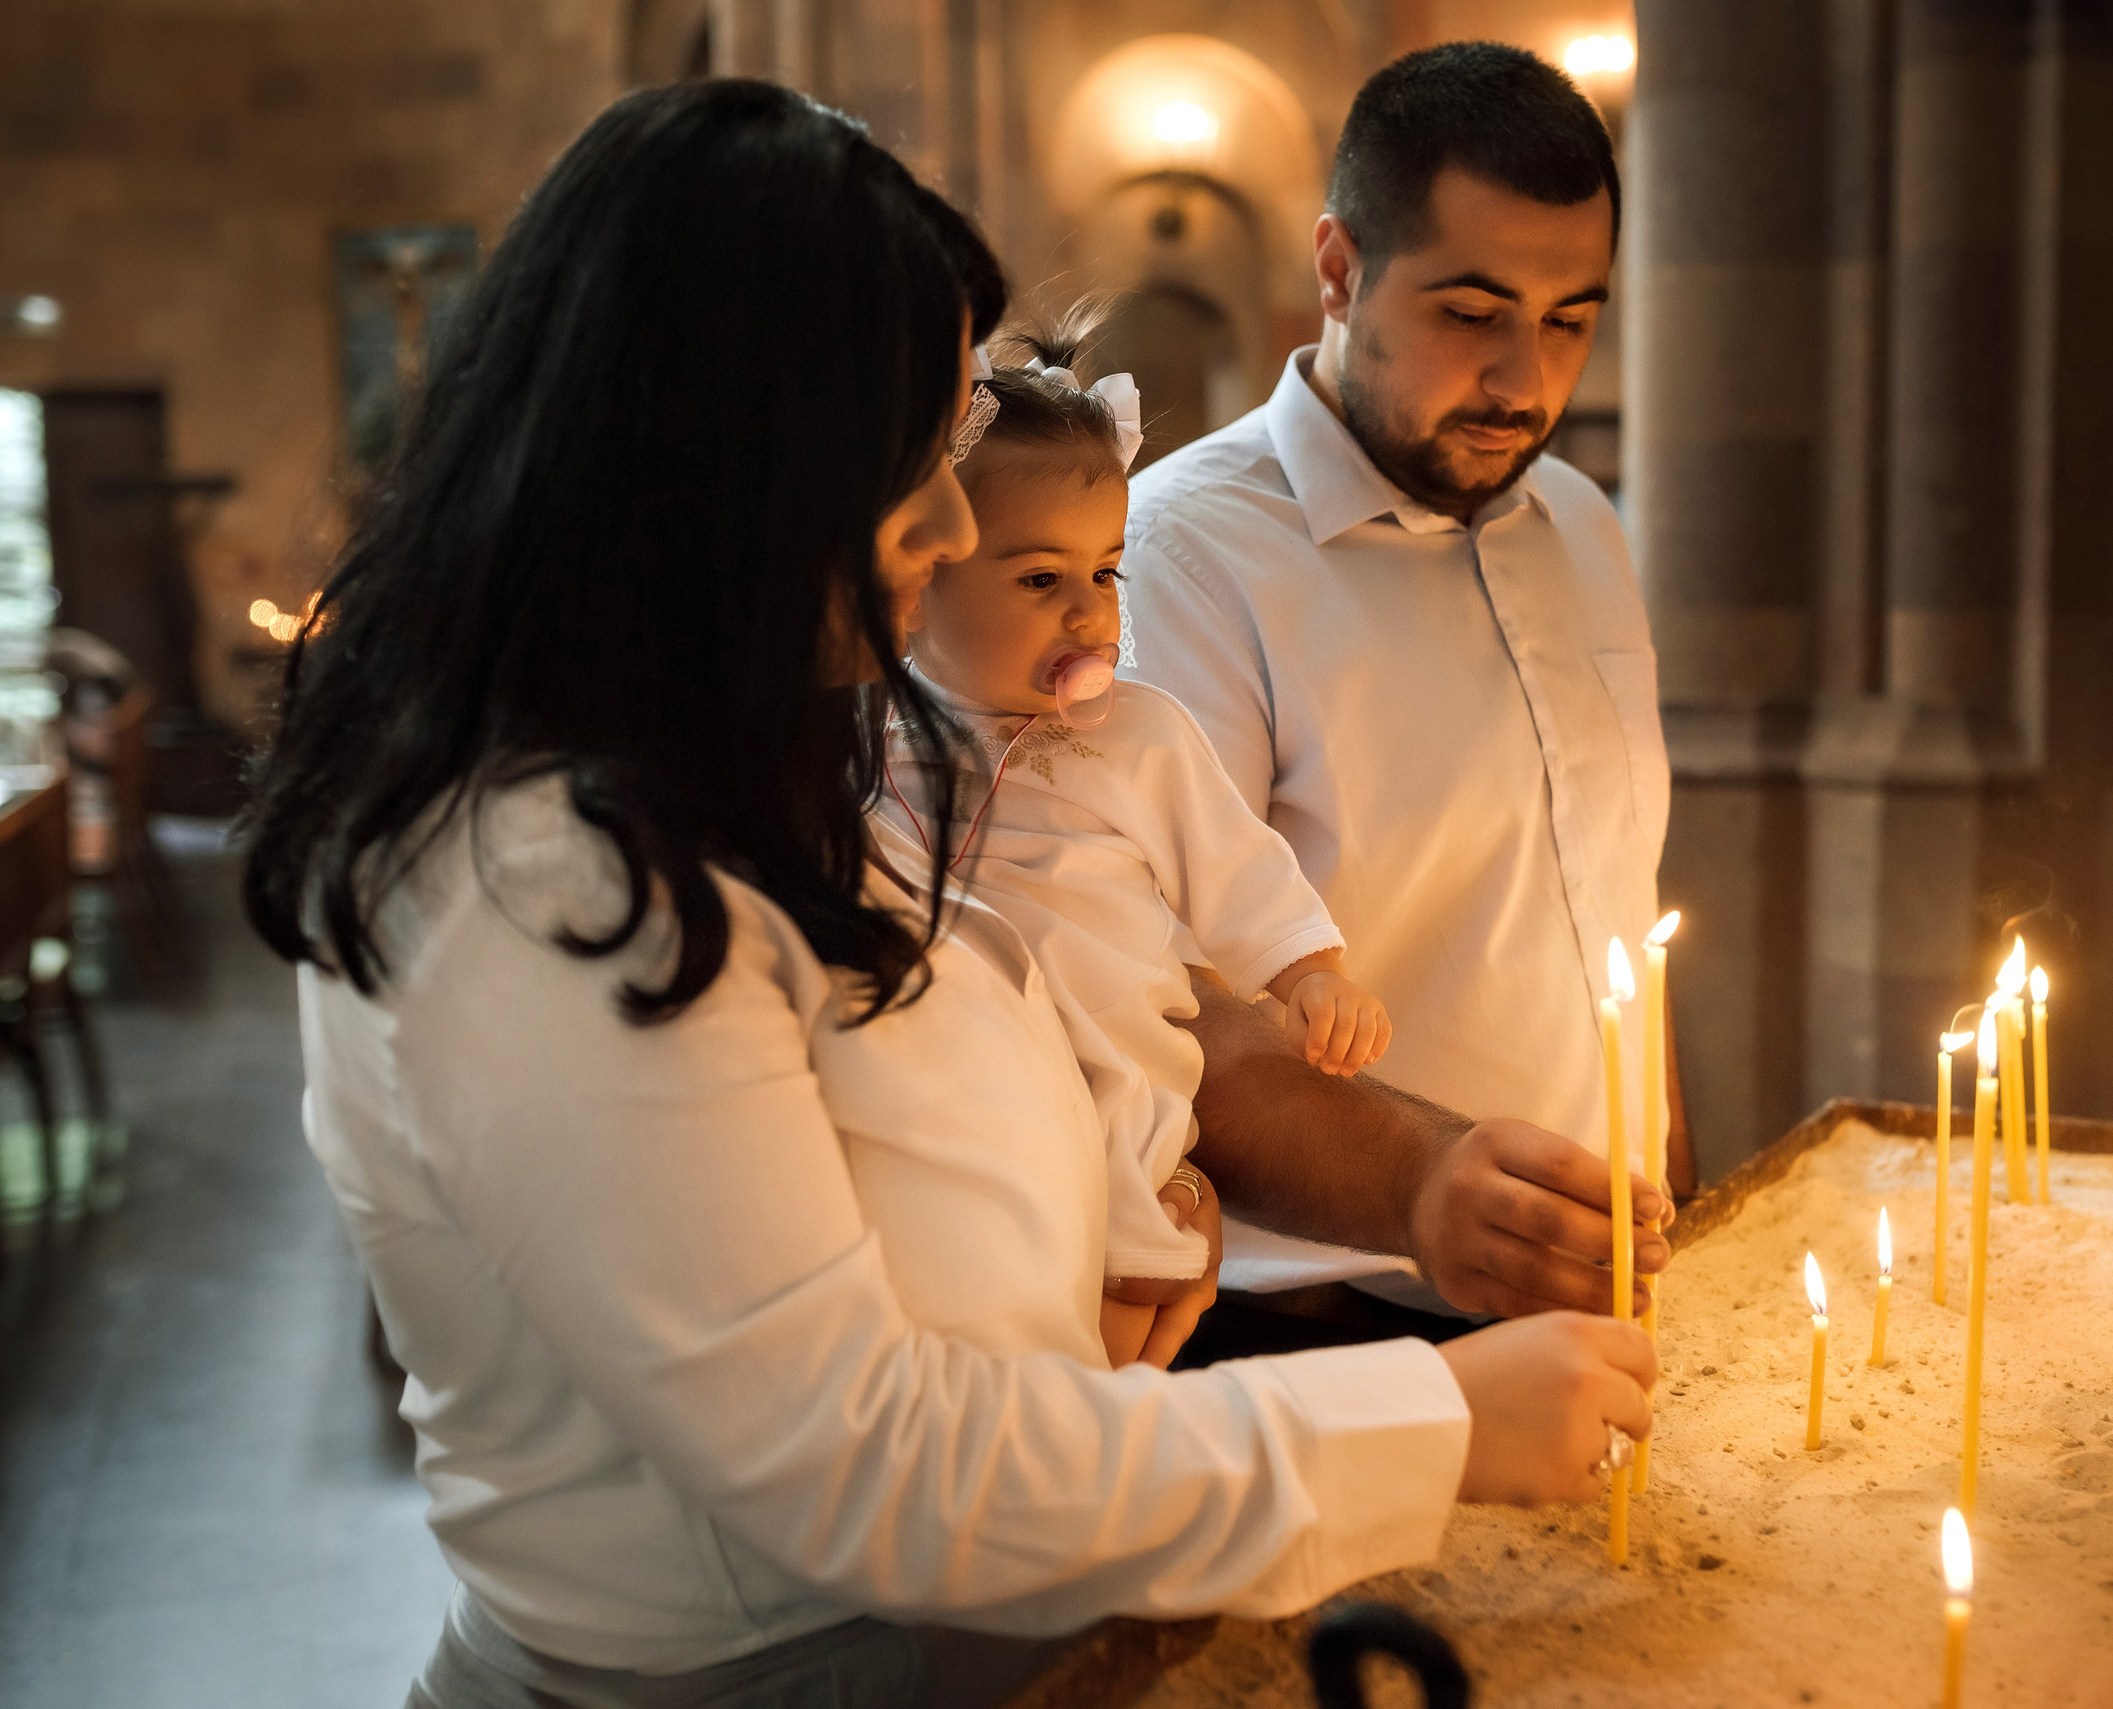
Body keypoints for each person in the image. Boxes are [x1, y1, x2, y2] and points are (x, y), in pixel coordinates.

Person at [241, 81, 1667, 1708]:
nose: (943, 525)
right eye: (908, 460)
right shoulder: (536, 880)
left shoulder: (739, 752)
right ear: (723, 463)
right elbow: (851, 1456)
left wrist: (1098, 1225)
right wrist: (1440, 1420)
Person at [1123, 42, 1690, 1323]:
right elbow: (1165, 1013)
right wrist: (1430, 1184)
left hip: (1593, 1292)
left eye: (1570, 320)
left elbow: (1604, 895)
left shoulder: (1582, 521)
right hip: (1326, 1320)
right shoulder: (1183, 558)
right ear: (1338, 269)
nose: (1524, 382)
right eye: (1471, 312)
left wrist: (1663, 1155)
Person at [880, 309, 1394, 1371]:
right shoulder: (877, 724)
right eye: (1039, 580)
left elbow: (1238, 869)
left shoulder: (1141, 733)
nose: (1090, 612)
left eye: (1106, 573)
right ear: (923, 577)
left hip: (1116, 1063)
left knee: (1118, 1277)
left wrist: (1311, 976)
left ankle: (1100, 1438)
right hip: (959, 1068)